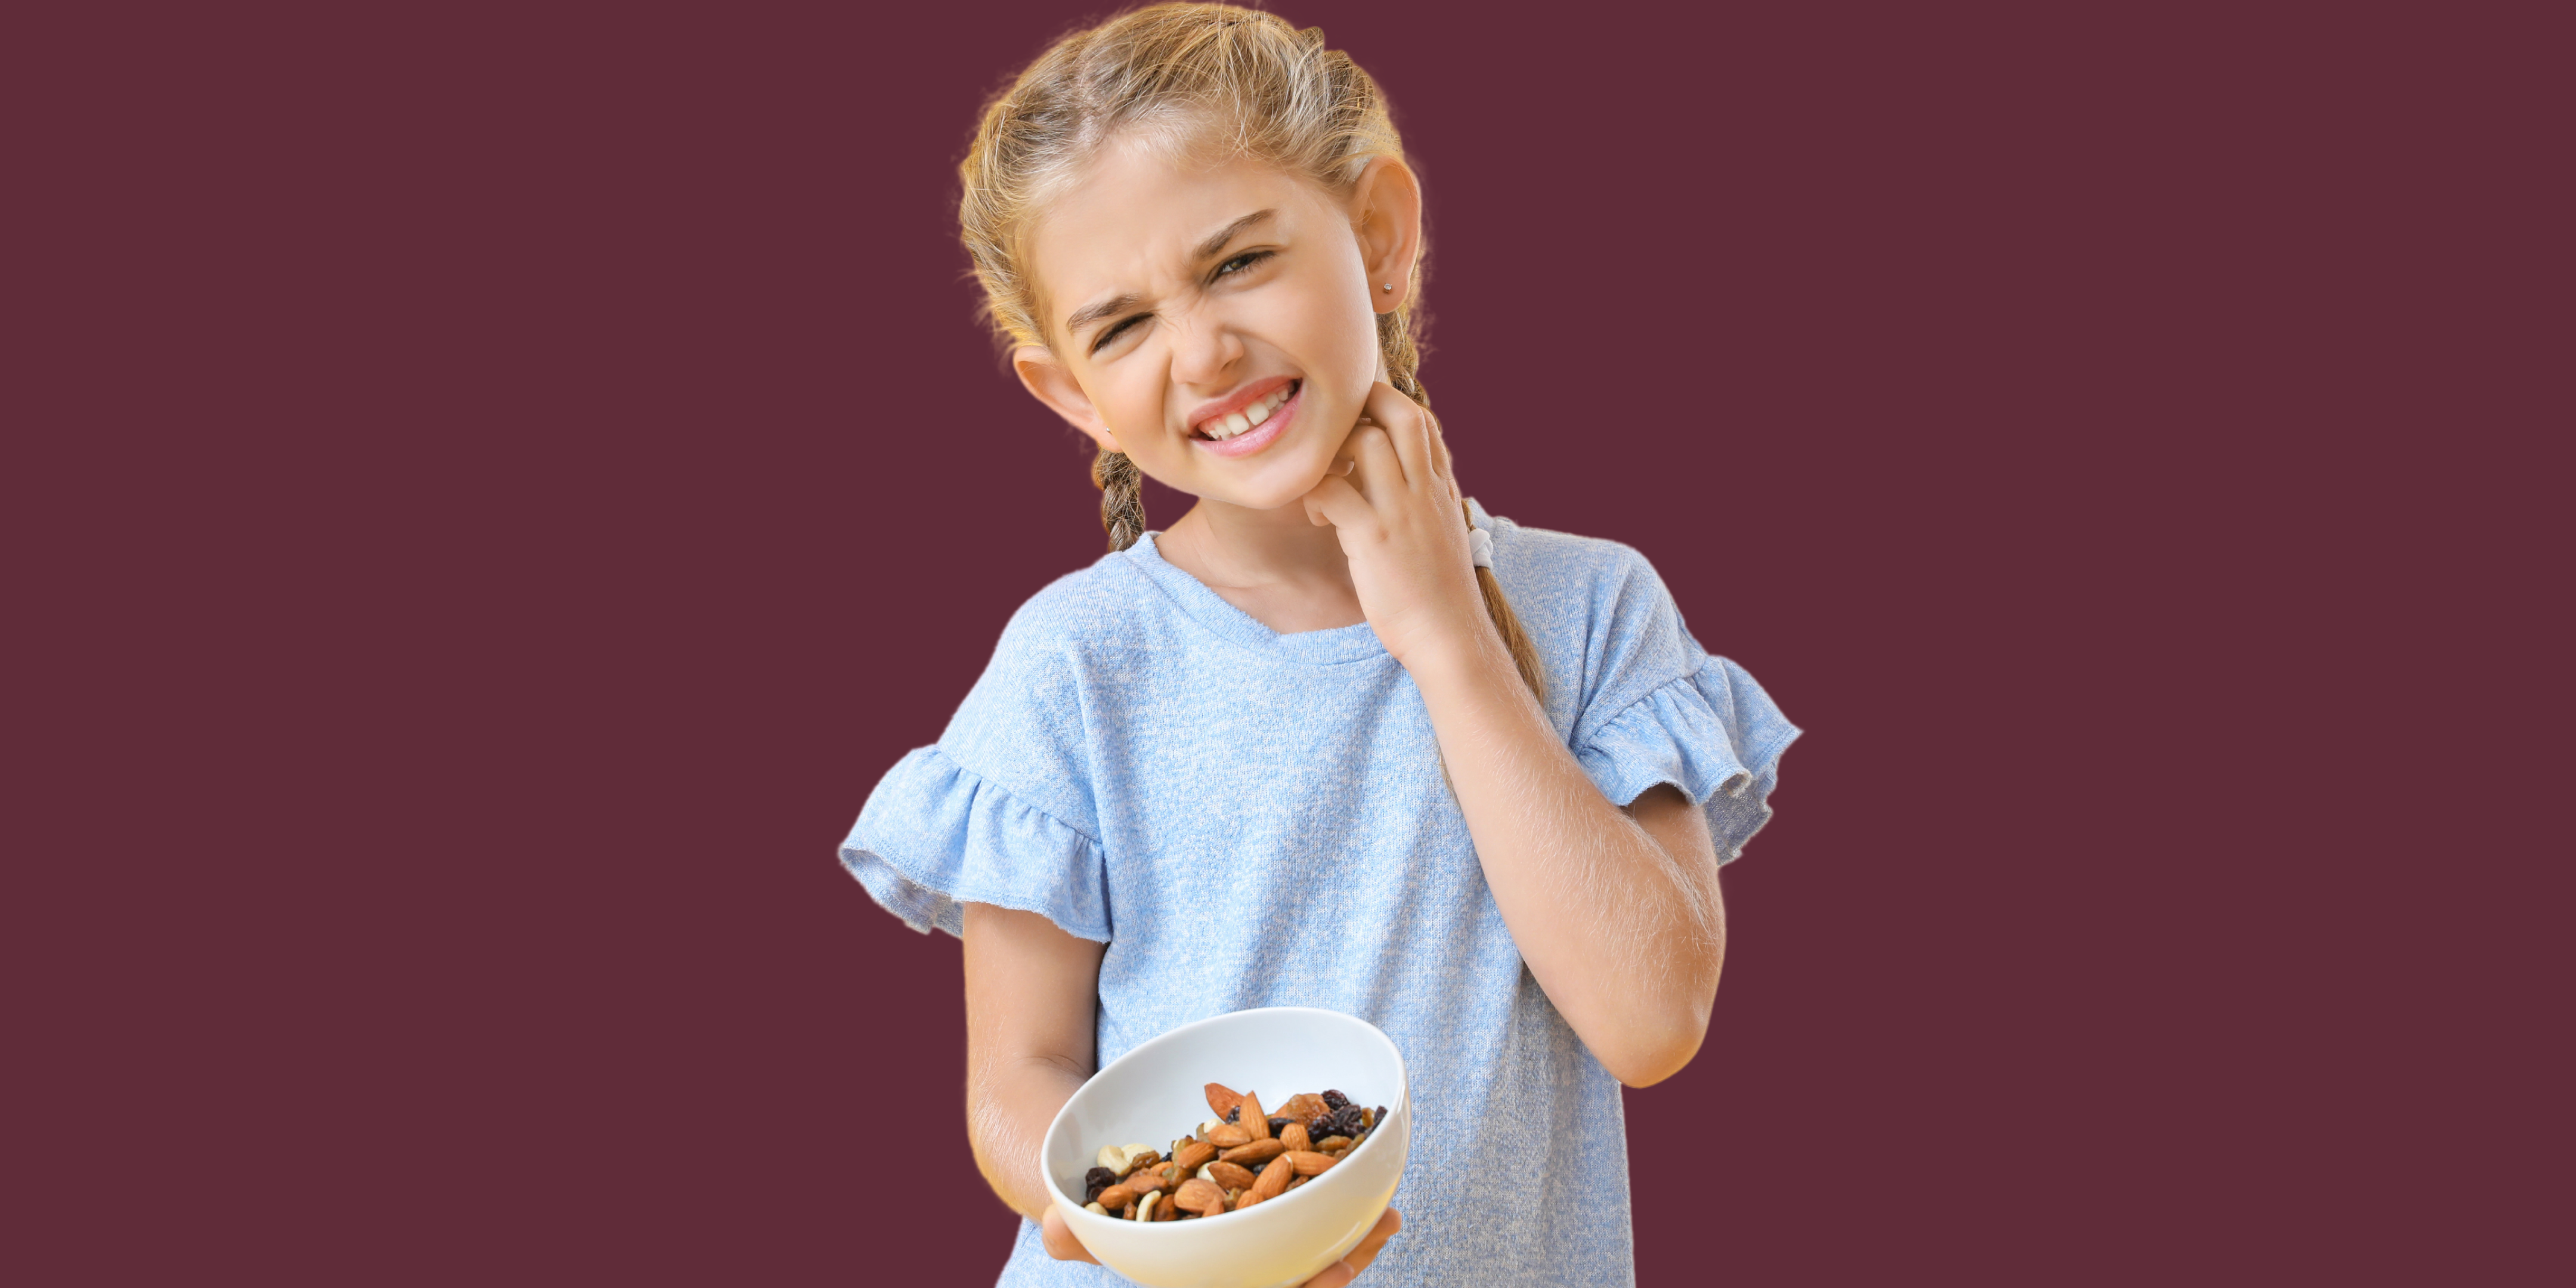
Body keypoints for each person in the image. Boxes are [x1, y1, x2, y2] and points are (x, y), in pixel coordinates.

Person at [838, 5, 1799, 1283]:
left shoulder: (1593, 610)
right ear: (1072, 393)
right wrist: (1132, 1231)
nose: (1202, 350)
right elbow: (1018, 1080)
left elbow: (1651, 1020)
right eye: (1121, 327)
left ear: (1381, 237)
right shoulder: (1073, 663)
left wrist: (1446, 636)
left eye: (1239, 262)